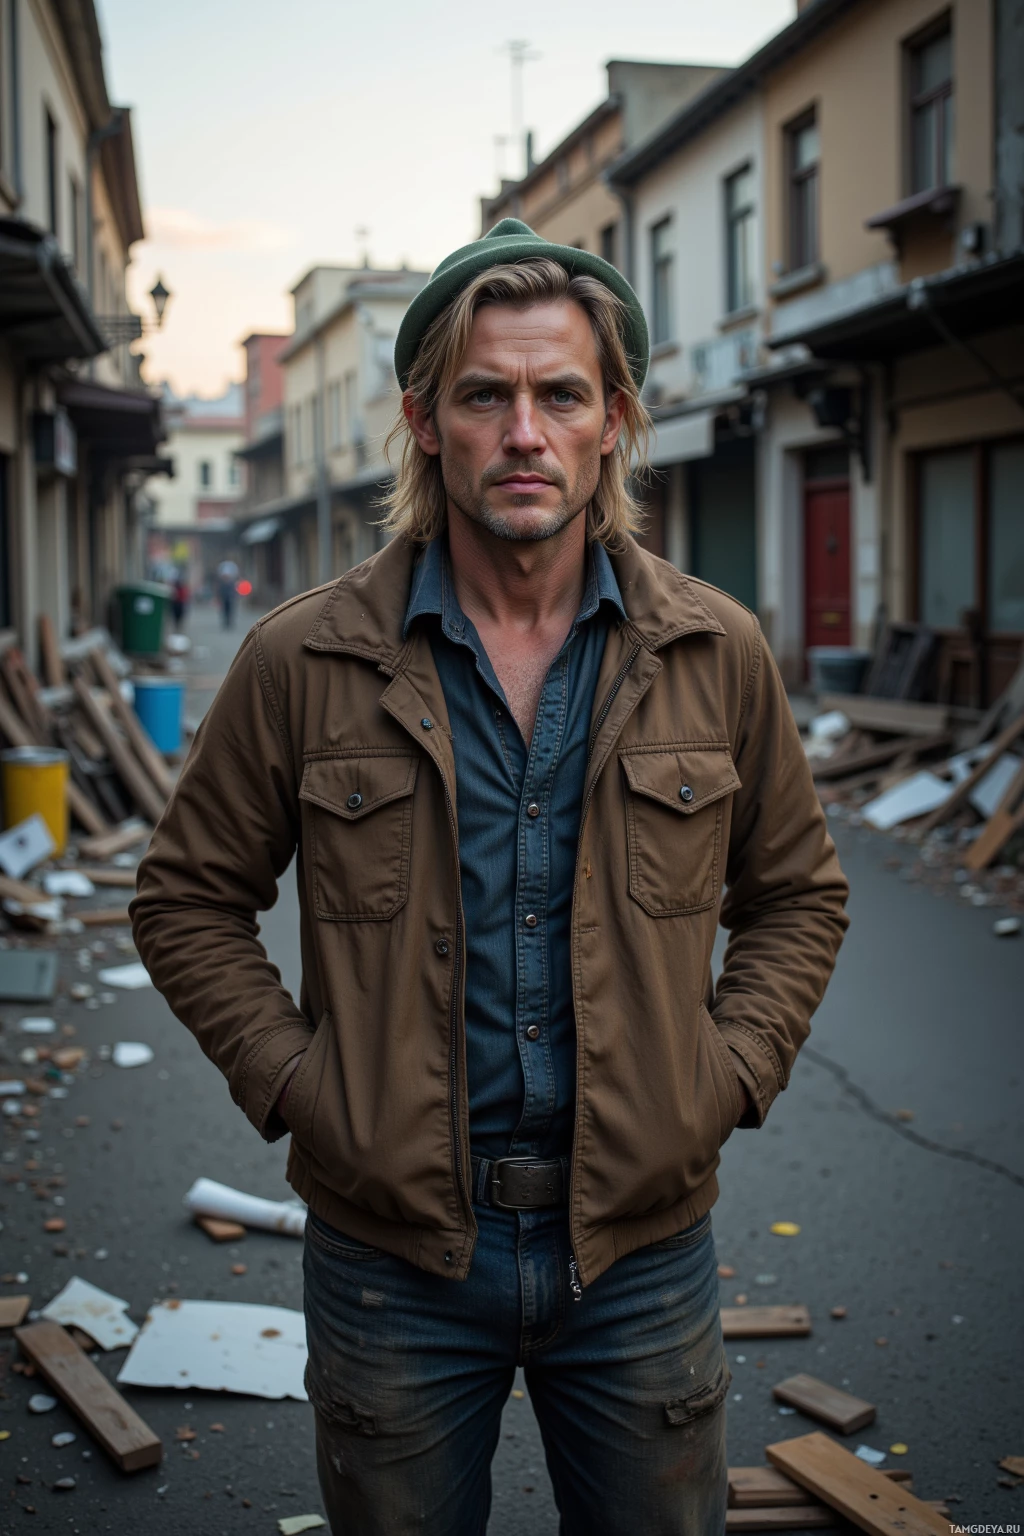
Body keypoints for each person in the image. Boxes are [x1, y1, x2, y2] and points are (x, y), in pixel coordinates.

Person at [132, 219, 849, 1536]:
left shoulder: (716, 651)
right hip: (390, 1260)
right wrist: (300, 1088)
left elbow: (797, 893)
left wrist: (726, 1074)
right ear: (424, 422)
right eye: (484, 397)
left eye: (560, 395)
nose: (525, 433)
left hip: (639, 1252)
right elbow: (185, 899)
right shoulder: (304, 661)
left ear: (611, 422)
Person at [216, 556, 239, 628]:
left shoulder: (231, 584)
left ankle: (230, 621)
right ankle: (225, 621)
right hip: (224, 598)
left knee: (230, 609)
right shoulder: (222, 584)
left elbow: (234, 591)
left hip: (230, 598)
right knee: (224, 609)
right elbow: (220, 591)